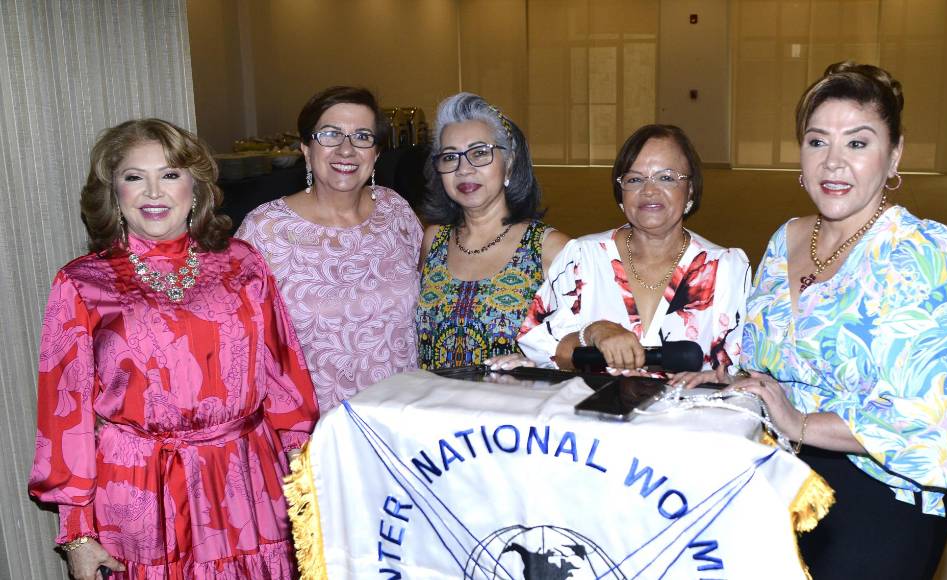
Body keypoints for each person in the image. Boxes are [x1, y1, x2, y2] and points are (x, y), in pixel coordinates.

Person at [675, 62, 947, 579]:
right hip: (784, 470)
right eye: (818, 142)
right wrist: (735, 385)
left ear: (894, 156)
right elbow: (774, 364)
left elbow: (931, 421)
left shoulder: (922, 252)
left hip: (882, 489)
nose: (834, 164)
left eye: (858, 144)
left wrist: (800, 423)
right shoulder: (785, 240)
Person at [28, 119, 319, 579]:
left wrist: (306, 484)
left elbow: (285, 380)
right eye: (133, 177)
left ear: (196, 187)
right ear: (114, 194)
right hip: (143, 490)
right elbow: (65, 415)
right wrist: (79, 532)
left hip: (245, 480)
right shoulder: (81, 283)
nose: (153, 192)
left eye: (169, 174)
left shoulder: (243, 263)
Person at [237, 86, 423, 412]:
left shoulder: (396, 211)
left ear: (376, 154)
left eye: (362, 136)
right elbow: (239, 343)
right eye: (331, 134)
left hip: (402, 421)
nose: (346, 149)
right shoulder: (264, 229)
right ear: (306, 149)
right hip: (315, 431)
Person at [516, 124, 750, 372]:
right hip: (594, 409)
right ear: (621, 193)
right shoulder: (583, 258)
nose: (649, 190)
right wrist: (591, 333)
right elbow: (539, 349)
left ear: (690, 188)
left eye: (666, 177)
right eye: (635, 179)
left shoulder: (725, 268)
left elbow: (736, 370)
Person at [416, 92, 570, 369]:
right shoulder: (434, 240)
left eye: (479, 153)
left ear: (509, 163)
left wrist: (541, 366)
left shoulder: (550, 249)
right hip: (433, 408)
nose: (464, 169)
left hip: (513, 408)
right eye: (450, 157)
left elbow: (583, 344)